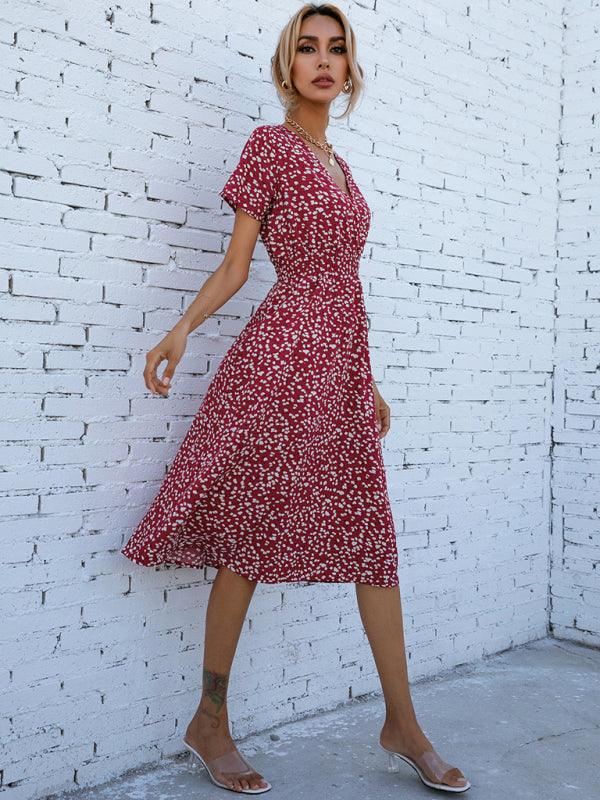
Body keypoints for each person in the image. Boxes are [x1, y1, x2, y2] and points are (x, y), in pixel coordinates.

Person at [121, 2, 470, 795]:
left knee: (372, 541)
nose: (323, 60)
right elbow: (238, 267)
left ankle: (403, 724)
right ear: (289, 66)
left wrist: (364, 379)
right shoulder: (270, 147)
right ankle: (210, 721)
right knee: (250, 534)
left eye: (336, 49)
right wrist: (182, 328)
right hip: (280, 363)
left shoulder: (341, 165)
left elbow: (345, 285)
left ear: (349, 68)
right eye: (308, 48)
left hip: (338, 371)